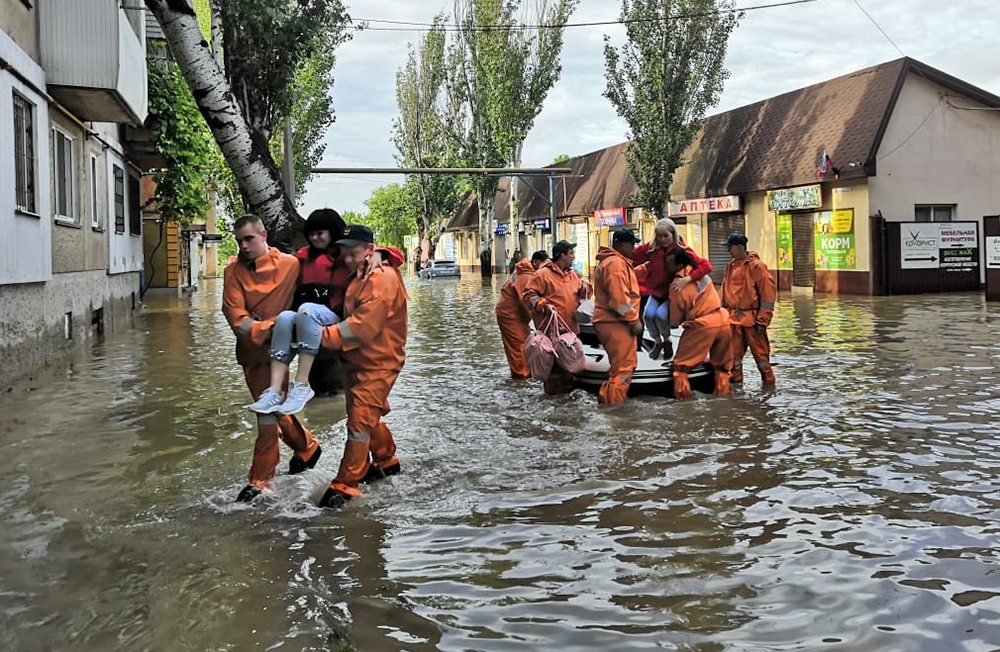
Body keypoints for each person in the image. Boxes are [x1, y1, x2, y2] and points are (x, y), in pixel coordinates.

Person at [222, 214, 321, 503]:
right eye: (239, 241)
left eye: (249, 239)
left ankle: (261, 480)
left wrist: (380, 256)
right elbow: (235, 318)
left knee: (265, 415)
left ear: (264, 236)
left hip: (278, 354)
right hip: (251, 352)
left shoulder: (291, 264)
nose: (243, 246)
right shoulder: (233, 273)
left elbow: (329, 263)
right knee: (275, 409)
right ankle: (308, 447)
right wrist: (272, 325)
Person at [316, 225, 409, 509]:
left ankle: (344, 488)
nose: (346, 258)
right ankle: (386, 462)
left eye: (352, 251)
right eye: (343, 251)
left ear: (369, 250)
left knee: (358, 422)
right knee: (364, 414)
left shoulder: (379, 278)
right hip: (360, 359)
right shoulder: (362, 272)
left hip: (377, 361)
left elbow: (362, 328)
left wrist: (318, 336)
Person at [248, 209, 343, 415]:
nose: (315, 238)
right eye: (312, 234)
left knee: (306, 310)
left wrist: (380, 254)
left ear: (333, 232)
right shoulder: (301, 258)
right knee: (284, 317)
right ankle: (275, 389)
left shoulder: (344, 254)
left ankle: (301, 385)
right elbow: (274, 262)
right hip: (303, 316)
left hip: (331, 315)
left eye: (321, 233)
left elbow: (375, 250)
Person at [631, 218, 712, 360]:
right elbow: (632, 256)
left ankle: (667, 341)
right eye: (659, 236)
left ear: (673, 235)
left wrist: (687, 279)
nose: (662, 240)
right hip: (655, 293)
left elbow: (706, 266)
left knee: (661, 316)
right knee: (648, 316)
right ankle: (658, 342)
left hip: (671, 295)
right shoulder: (651, 249)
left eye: (665, 236)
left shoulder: (681, 251)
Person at [523, 240, 592, 395]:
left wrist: (585, 289)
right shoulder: (542, 275)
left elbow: (582, 292)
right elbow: (529, 296)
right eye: (571, 254)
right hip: (550, 333)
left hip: (569, 332)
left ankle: (565, 402)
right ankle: (553, 400)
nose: (573, 257)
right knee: (553, 372)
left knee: (569, 371)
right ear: (562, 256)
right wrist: (543, 305)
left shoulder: (572, 275)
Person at [663, 246, 732, 400]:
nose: (665, 266)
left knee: (681, 368)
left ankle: (683, 407)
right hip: (722, 318)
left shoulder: (676, 286)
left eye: (668, 263)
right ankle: (724, 402)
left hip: (702, 324)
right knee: (722, 368)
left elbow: (675, 320)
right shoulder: (700, 273)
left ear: (678, 265)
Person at [592, 229, 644, 405]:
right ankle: (614, 410)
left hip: (609, 321)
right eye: (632, 244)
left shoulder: (611, 262)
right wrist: (633, 320)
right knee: (623, 369)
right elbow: (619, 299)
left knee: (618, 369)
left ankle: (608, 402)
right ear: (622, 244)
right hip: (615, 322)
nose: (634, 248)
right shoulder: (615, 264)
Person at [720, 233, 776, 385]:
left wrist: (762, 321)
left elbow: (768, 296)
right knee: (734, 356)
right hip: (734, 318)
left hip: (753, 320)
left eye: (730, 247)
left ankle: (769, 384)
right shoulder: (730, 266)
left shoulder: (757, 266)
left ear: (739, 247)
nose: (728, 251)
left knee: (761, 357)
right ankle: (736, 385)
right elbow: (724, 292)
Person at [495, 250, 549, 378]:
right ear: (535, 262)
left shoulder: (526, 272)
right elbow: (527, 301)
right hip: (510, 315)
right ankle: (521, 376)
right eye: (544, 264)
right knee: (518, 346)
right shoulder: (526, 277)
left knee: (525, 343)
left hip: (516, 314)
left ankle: (526, 373)